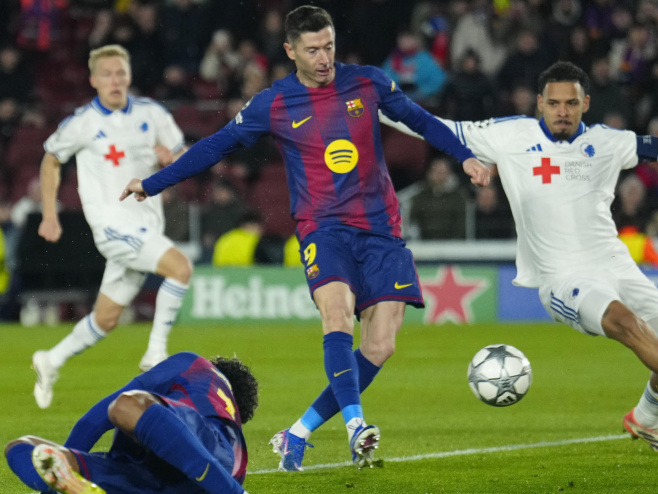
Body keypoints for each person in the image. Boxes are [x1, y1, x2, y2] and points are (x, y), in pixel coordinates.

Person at [120, 5, 490, 470]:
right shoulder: (273, 103)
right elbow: (215, 146)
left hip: (381, 229)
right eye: (313, 50)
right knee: (337, 315)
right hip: (323, 228)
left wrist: (464, 155)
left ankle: (297, 432)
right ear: (290, 50)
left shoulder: (367, 82)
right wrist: (153, 183)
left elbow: (422, 120)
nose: (324, 58)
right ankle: (356, 426)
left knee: (380, 346)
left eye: (329, 46)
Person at [383, 61, 658, 453]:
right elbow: (430, 125)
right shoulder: (508, 135)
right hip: (562, 277)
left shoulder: (607, 141)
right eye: (554, 103)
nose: (562, 112)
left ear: (585, 102)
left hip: (614, 263)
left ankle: (645, 420)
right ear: (540, 103)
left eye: (571, 103)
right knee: (627, 324)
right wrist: (372, 103)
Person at [32, 45, 193, 409]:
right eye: (107, 74)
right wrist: (49, 214)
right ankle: (155, 354)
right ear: (93, 80)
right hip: (111, 226)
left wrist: (171, 160)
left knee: (105, 319)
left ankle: (50, 360)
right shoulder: (82, 123)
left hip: (147, 225)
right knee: (180, 268)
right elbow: (50, 160)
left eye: (120, 73)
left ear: (129, 76)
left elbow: (185, 159)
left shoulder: (153, 114)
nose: (115, 80)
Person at [5, 352, 258, 494]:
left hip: (199, 463)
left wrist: (66, 460)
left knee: (125, 404)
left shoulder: (197, 366)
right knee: (22, 446)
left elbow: (96, 417)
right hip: (192, 479)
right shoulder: (233, 442)